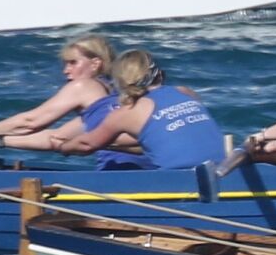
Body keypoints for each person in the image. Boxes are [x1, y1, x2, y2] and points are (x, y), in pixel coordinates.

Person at [55, 48, 232, 173]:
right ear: (158, 74)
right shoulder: (185, 92)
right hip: (226, 168)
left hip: (182, 178)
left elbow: (86, 144)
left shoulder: (127, 112)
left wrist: (64, 147)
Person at [0, 31, 120, 146]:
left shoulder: (83, 86)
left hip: (116, 172)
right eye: (65, 64)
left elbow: (30, 122)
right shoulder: (115, 93)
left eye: (73, 63)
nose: (66, 71)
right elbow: (58, 138)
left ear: (95, 64)